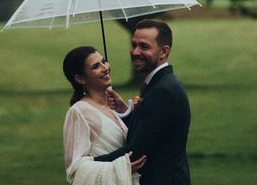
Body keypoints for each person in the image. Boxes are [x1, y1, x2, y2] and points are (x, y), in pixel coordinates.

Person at [95, 19, 191, 185]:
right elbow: (152, 128)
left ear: (164, 52)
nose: (135, 52)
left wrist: (88, 164)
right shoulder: (161, 83)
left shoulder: (164, 91)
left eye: (144, 47)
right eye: (134, 45)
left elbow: (136, 151)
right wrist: (126, 112)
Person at [62, 46, 146, 185]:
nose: (105, 67)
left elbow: (131, 140)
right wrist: (119, 170)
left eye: (104, 61)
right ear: (80, 78)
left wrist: (125, 111)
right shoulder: (79, 112)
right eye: (96, 66)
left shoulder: (113, 106)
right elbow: (75, 169)